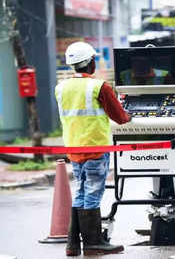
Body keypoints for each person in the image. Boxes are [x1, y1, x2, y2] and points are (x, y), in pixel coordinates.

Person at [55, 41, 131, 256]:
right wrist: (129, 115)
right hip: (96, 148)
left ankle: (72, 245)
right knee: (93, 194)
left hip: (74, 148)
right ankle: (93, 242)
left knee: (80, 191)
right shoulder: (99, 86)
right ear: (90, 62)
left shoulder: (61, 88)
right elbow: (119, 116)